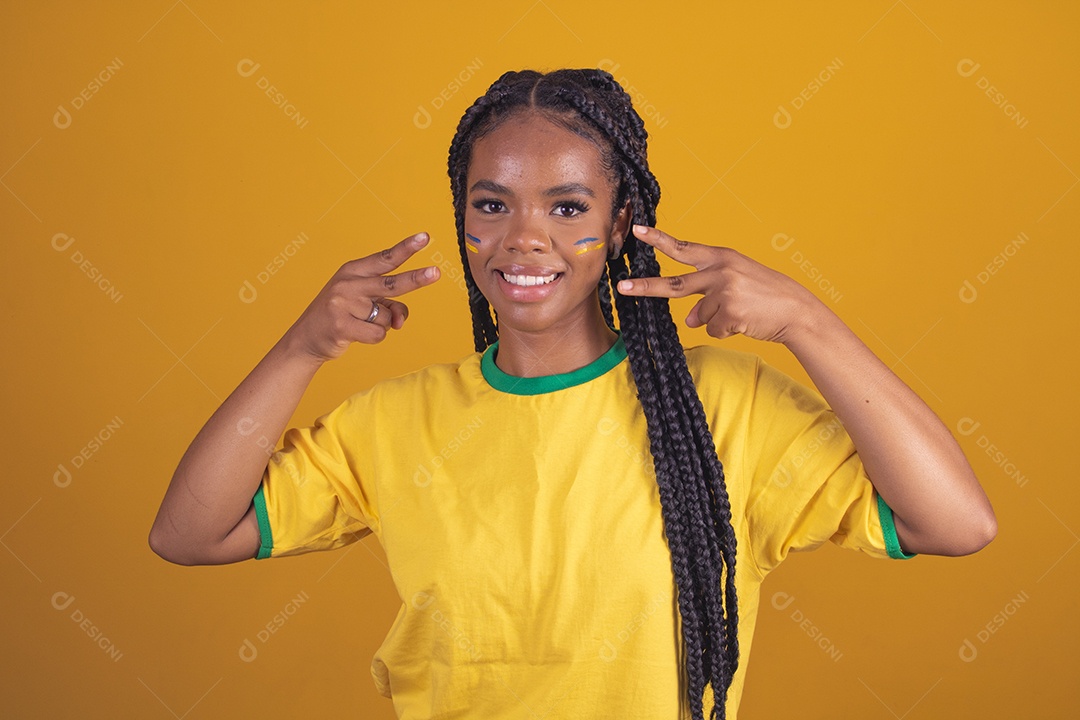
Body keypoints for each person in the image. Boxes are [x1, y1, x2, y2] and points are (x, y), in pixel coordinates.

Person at [149, 68, 997, 719]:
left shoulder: (725, 410)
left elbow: (956, 523)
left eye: (566, 206)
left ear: (620, 222)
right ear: (464, 218)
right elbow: (189, 533)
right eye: (492, 204)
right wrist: (303, 347)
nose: (523, 239)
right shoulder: (390, 422)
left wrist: (808, 321)